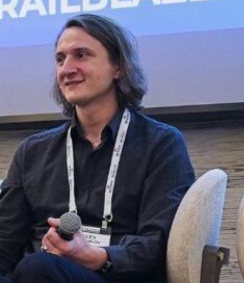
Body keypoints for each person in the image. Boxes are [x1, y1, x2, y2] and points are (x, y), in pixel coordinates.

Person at [0, 14, 195, 282]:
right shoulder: (32, 152)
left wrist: (96, 257)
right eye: (60, 59)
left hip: (113, 275)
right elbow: (5, 242)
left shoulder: (161, 144)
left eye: (81, 55)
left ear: (118, 67)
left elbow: (158, 243)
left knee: (40, 268)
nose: (67, 69)